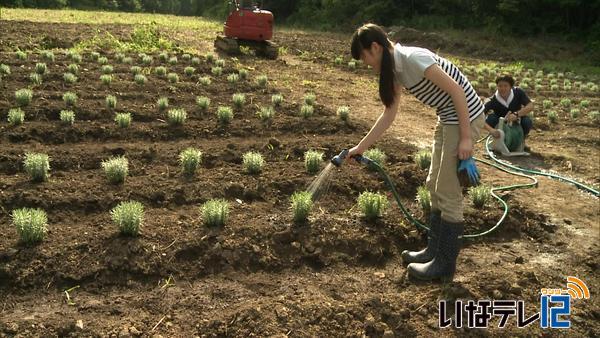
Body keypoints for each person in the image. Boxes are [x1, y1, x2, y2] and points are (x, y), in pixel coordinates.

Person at [346, 23, 485, 282]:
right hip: (447, 118)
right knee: (434, 183)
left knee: (448, 190)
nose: (366, 64)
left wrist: (466, 138)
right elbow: (389, 114)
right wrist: (360, 148)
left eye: (364, 57)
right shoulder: (395, 69)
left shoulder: (412, 58)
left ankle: (444, 265)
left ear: (375, 47)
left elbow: (457, 90)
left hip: (464, 117)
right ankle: (433, 251)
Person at [484, 74, 534, 149]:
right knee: (491, 119)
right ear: (497, 86)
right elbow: (479, 116)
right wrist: (492, 130)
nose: (503, 88)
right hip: (500, 124)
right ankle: (497, 141)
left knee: (527, 121)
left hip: (517, 120)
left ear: (511, 86)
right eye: (500, 86)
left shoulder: (518, 92)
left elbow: (530, 106)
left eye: (505, 86)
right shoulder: (492, 100)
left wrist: (516, 114)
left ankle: (520, 141)